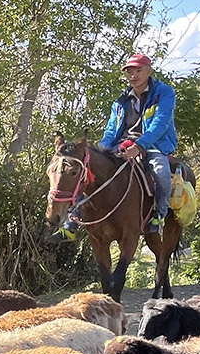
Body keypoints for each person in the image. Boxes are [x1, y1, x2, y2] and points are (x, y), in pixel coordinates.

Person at [56, 53, 177, 240]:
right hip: (121, 145)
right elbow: (111, 130)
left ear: (149, 71)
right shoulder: (120, 101)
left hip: (153, 144)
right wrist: (98, 152)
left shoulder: (164, 93)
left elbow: (159, 125)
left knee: (161, 173)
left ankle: (158, 216)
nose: (134, 76)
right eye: (130, 72)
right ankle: (71, 223)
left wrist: (139, 146)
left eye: (138, 71)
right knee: (88, 170)